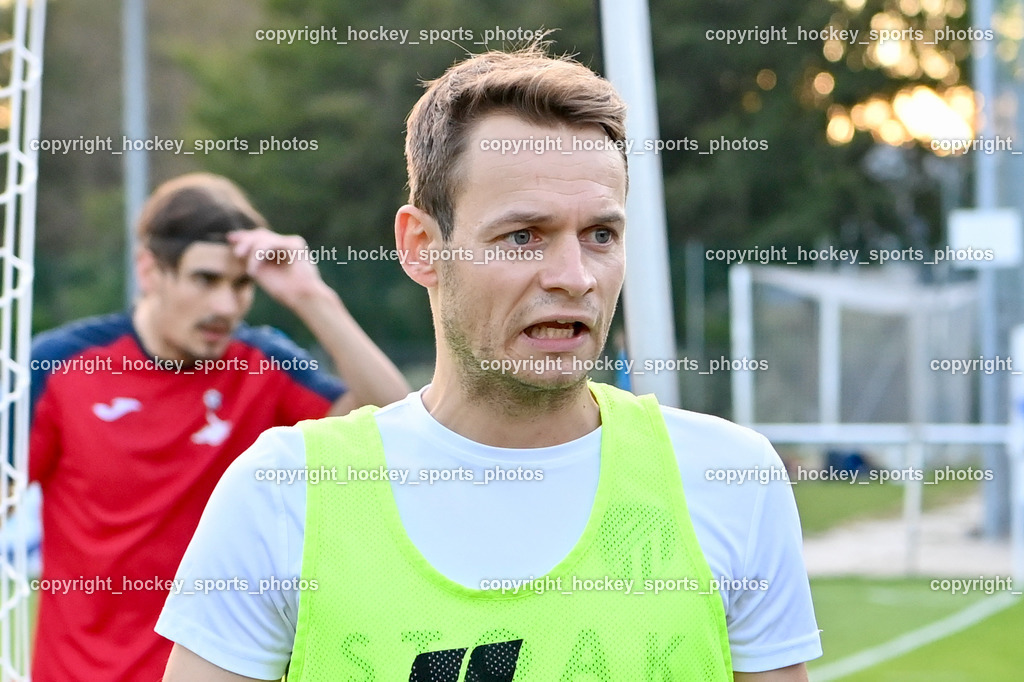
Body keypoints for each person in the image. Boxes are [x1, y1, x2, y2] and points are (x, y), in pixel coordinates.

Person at [159, 47, 822, 681]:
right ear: (422, 247)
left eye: (601, 234)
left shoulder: (728, 479)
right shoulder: (283, 492)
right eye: (523, 235)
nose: (574, 277)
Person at [29, 172, 409, 682]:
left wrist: (309, 294)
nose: (225, 307)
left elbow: (398, 428)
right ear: (150, 270)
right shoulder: (59, 366)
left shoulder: (262, 366)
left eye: (241, 284)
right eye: (206, 280)